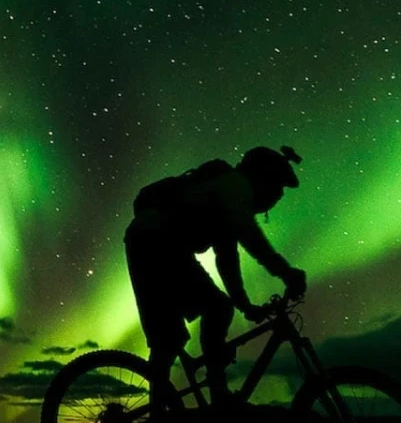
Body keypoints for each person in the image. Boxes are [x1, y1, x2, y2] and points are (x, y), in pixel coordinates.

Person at [124, 144, 309, 409]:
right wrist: (286, 272)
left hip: (152, 242)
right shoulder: (234, 186)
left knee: (169, 338)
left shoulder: (224, 197)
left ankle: (162, 415)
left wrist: (245, 305)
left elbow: (228, 259)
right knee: (217, 309)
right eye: (277, 187)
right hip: (158, 242)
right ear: (263, 177)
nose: (278, 196)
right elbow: (250, 237)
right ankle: (218, 397)